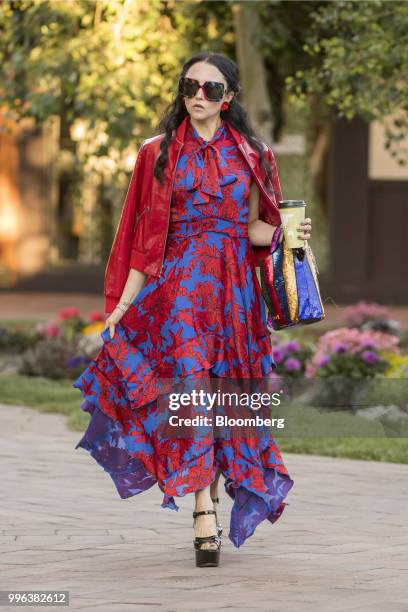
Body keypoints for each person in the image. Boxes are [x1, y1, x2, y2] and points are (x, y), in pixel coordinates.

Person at [73, 51, 312, 568]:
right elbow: (144, 240)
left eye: (210, 89)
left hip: (234, 296)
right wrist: (122, 306)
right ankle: (204, 508)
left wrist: (285, 234)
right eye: (190, 86)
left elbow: (250, 228)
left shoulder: (253, 153)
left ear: (229, 99)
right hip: (178, 292)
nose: (197, 97)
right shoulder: (157, 153)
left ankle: (213, 492)